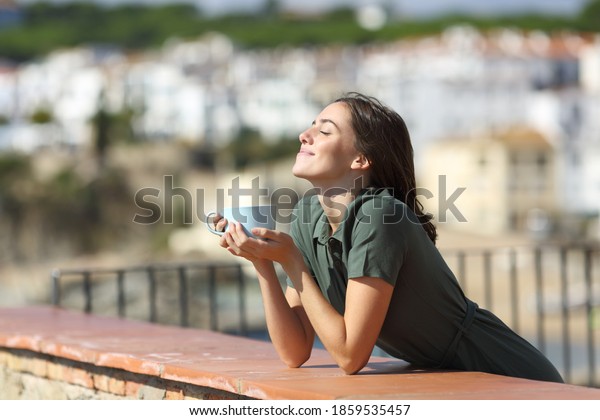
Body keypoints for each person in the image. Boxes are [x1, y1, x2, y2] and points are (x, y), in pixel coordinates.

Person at [214, 92, 563, 383]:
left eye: (325, 131)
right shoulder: (308, 215)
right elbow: (295, 351)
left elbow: (350, 355)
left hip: (508, 374)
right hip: (451, 378)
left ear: (361, 159)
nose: (305, 135)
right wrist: (262, 262)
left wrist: (292, 263)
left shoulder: (379, 216)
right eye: (310, 126)